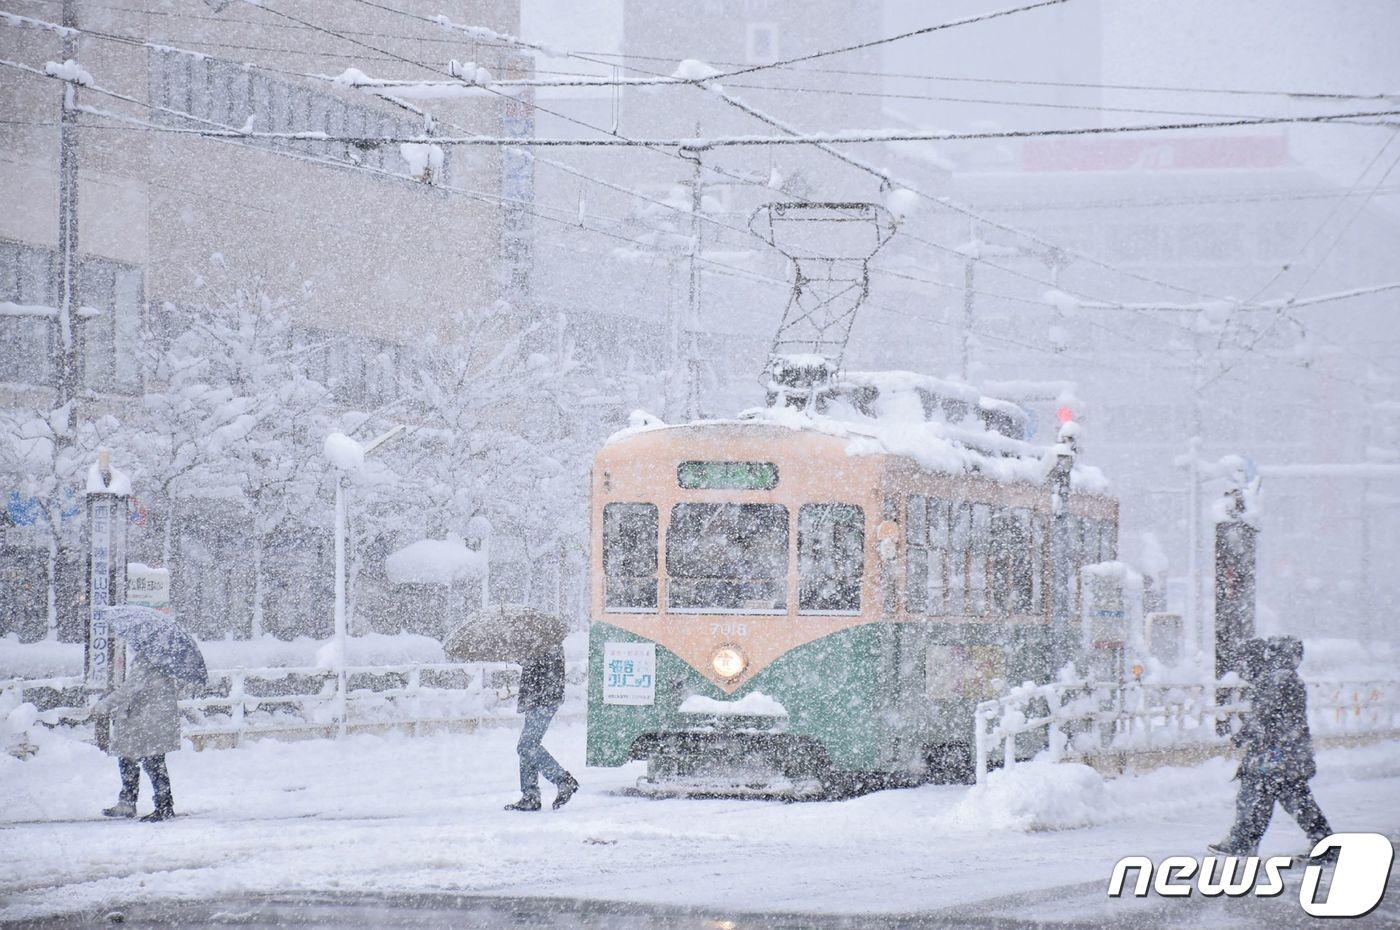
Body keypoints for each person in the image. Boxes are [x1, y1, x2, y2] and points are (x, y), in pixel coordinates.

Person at [1210, 636, 1333, 857]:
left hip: (1273, 752)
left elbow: (1265, 715)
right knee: (1292, 796)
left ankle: (1244, 841)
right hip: (1288, 751)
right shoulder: (1288, 678)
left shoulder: (1276, 679)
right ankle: (1324, 842)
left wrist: (1242, 736)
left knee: (1257, 794)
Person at [94, 647, 182, 822]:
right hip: (147, 719)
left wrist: (104, 705)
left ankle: (162, 806)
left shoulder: (150, 658)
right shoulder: (163, 657)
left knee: (152, 761)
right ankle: (130, 801)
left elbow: (130, 687)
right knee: (129, 757)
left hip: (148, 720)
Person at [504, 642, 578, 811]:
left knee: (526, 746)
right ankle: (530, 796)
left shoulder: (545, 641)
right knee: (529, 746)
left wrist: (520, 655)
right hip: (538, 698)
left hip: (543, 698)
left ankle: (562, 780)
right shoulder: (543, 640)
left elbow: (537, 664)